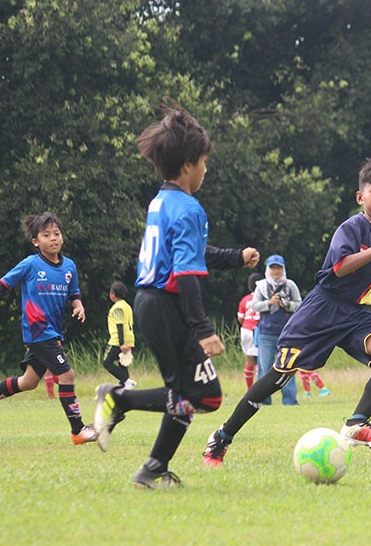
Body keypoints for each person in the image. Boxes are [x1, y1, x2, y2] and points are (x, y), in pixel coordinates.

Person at [203, 156, 371, 466]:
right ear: (361, 196)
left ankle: (357, 422)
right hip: (322, 309)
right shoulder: (353, 227)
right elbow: (341, 267)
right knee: (278, 376)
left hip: (354, 315)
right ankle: (221, 437)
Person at [92, 104, 260, 489]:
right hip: (168, 307)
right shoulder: (189, 207)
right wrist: (203, 328)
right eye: (203, 162)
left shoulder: (161, 201)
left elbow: (187, 255)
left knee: (192, 394)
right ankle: (118, 399)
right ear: (187, 164)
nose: (206, 169)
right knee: (205, 397)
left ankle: (153, 469)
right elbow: (184, 273)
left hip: (149, 303)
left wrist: (235, 258)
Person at [0, 213, 97, 445]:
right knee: (66, 374)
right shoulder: (30, 264)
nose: (53, 238)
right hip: (37, 331)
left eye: (57, 233)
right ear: (36, 241)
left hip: (53, 332)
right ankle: (78, 430)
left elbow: (74, 294)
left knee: (28, 382)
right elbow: (3, 284)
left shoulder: (69, 267)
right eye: (46, 235)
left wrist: (79, 307)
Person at [250, 254, 301, 406]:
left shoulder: (290, 285)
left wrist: (287, 305)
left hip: (287, 332)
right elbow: (254, 305)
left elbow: (300, 304)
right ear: (268, 269)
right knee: (265, 368)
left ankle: (290, 401)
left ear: (283, 269)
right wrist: (269, 303)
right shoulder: (261, 286)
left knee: (288, 367)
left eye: (278, 268)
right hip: (266, 332)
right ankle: (263, 401)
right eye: (273, 268)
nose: (276, 271)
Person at [102, 281, 136, 389]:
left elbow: (120, 325)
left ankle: (126, 381)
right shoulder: (127, 306)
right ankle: (125, 386)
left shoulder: (117, 308)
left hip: (118, 340)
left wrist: (121, 343)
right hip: (129, 339)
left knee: (107, 363)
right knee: (122, 363)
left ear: (112, 294)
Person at [237, 273, 261, 391]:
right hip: (256, 330)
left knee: (249, 360)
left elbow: (240, 318)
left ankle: (249, 389)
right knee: (258, 361)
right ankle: (258, 390)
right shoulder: (262, 298)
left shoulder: (245, 300)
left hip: (245, 329)